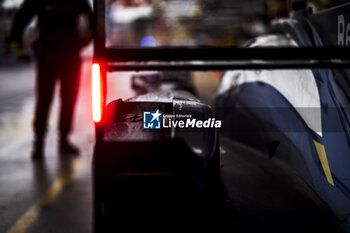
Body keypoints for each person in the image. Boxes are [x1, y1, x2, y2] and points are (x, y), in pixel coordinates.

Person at [9, 0, 93, 159]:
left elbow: (93, 21)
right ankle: (41, 142)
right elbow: (19, 21)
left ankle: (57, 141)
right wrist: (83, 42)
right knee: (47, 100)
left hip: (64, 57)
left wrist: (82, 43)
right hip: (53, 57)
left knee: (65, 99)